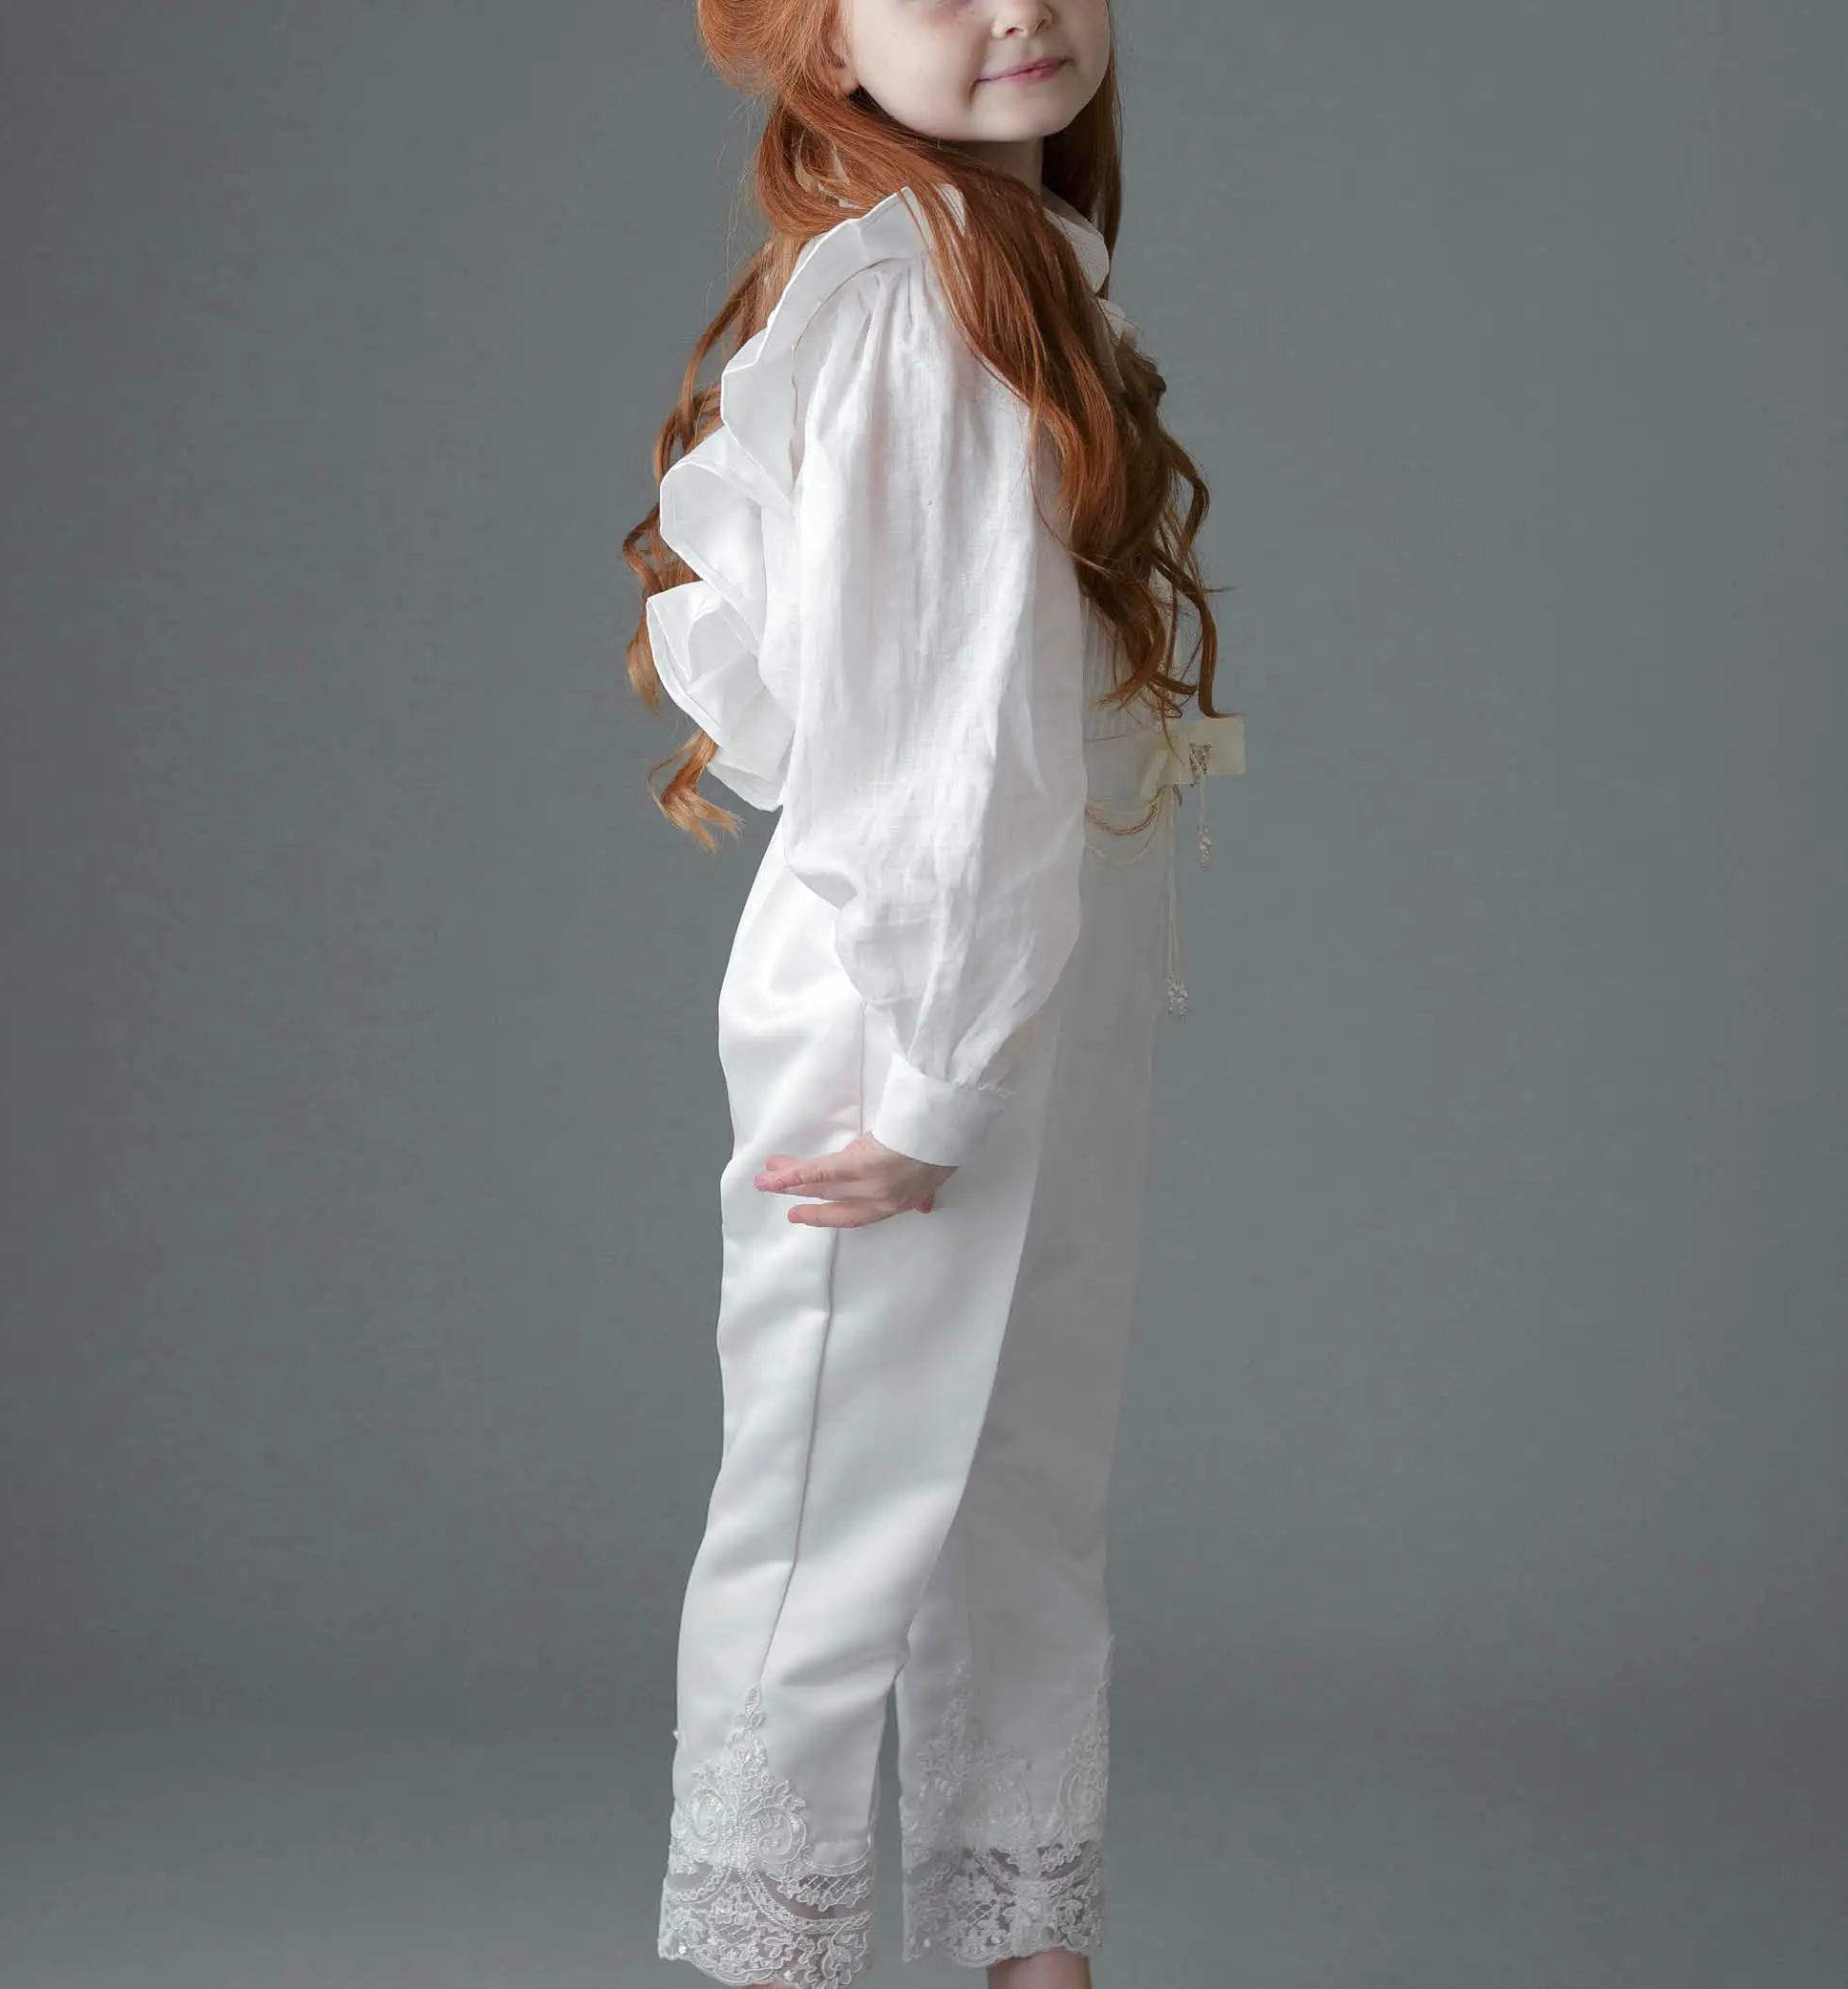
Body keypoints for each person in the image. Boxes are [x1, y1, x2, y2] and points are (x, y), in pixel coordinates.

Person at [622, 3, 1243, 1982]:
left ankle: (1029, 1951)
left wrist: (991, 1034)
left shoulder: (1019, 263)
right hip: (906, 1003)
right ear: (817, 36)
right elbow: (928, 731)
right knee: (829, 1520)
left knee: (1021, 1491)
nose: (1017, 9)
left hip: (1013, 972)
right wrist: (938, 1068)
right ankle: (774, 1956)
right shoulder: (915, 297)